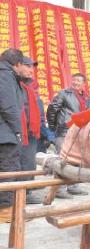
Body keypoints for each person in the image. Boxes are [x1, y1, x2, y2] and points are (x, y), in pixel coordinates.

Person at [46, 73, 90, 199]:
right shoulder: (64, 94)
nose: (75, 82)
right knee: (63, 159)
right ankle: (59, 189)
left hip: (79, 132)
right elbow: (52, 109)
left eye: (79, 80)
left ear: (84, 84)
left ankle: (72, 186)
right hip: (64, 130)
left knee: (75, 159)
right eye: (74, 80)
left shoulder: (87, 98)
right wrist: (53, 126)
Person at [0, 48, 25, 221]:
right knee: (8, 170)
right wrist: (17, 130)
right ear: (17, 64)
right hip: (5, 132)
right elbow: (8, 106)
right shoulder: (5, 75)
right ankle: (5, 210)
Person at [18, 56, 43, 204]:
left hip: (31, 132)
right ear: (18, 66)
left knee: (29, 163)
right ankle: (18, 193)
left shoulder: (31, 88)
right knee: (17, 164)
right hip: (18, 132)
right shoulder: (14, 85)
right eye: (27, 66)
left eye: (32, 67)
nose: (30, 70)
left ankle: (27, 192)